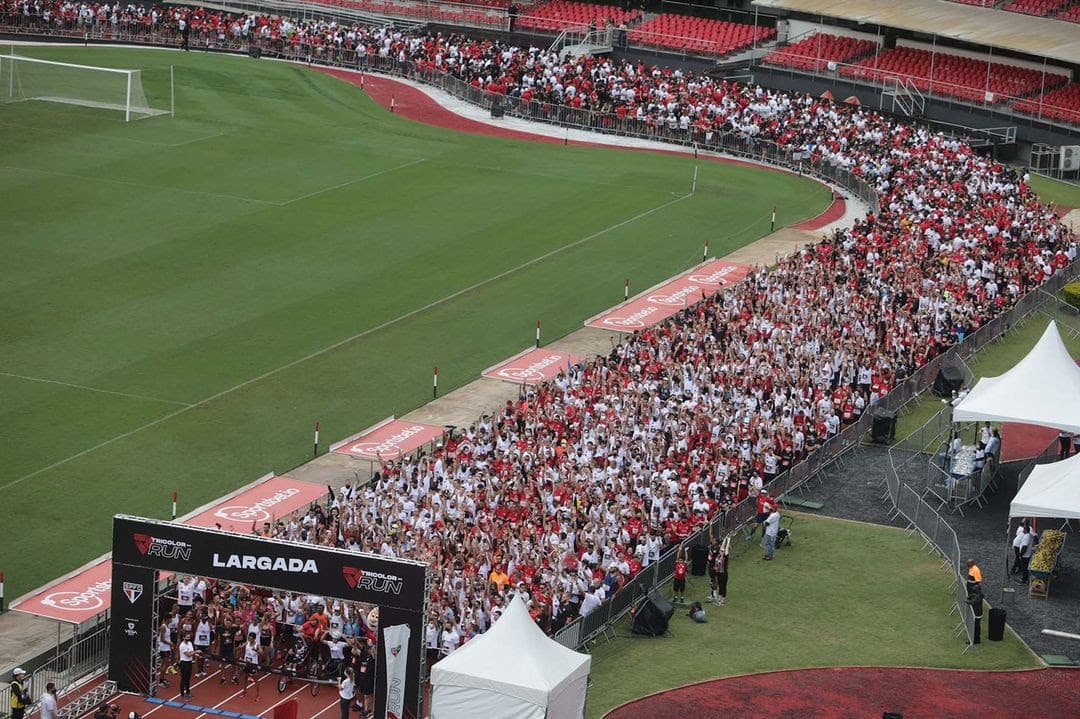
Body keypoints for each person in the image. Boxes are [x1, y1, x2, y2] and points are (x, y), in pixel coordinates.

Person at [708, 534, 731, 606]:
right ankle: (719, 598)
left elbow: (726, 548)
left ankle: (723, 600)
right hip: (718, 573)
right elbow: (722, 546)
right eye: (721, 551)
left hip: (723, 573)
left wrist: (728, 540)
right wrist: (724, 539)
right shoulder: (718, 556)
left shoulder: (725, 557)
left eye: (722, 551)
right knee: (720, 586)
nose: (721, 551)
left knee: (723, 586)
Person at [966, 576, 984, 645]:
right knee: (976, 627)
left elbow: (972, 602)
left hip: (977, 615)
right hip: (976, 613)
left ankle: (975, 640)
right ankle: (975, 639)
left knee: (976, 628)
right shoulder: (976, 594)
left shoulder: (978, 596)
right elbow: (971, 596)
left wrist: (967, 600)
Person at [178, 631, 196, 699]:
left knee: (188, 679)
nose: (188, 638)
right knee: (183, 679)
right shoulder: (182, 645)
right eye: (187, 637)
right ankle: (182, 694)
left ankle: (188, 692)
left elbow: (191, 651)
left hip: (189, 662)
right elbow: (188, 655)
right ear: (183, 637)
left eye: (189, 637)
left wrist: (195, 654)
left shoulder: (190, 643)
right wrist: (196, 652)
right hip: (184, 663)